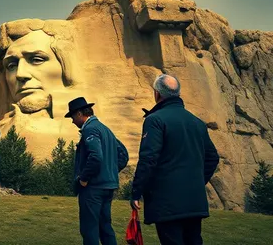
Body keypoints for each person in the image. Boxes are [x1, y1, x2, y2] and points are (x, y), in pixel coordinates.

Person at [130, 74, 219, 245]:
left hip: (167, 203)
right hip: (194, 201)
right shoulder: (197, 122)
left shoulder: (154, 120)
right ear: (178, 93)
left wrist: (136, 192)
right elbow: (212, 158)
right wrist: (197, 182)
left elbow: (148, 159)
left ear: (157, 93)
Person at [67, 97, 129, 245]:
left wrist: (84, 178)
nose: (72, 121)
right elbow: (123, 155)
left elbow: (95, 156)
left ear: (80, 114)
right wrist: (110, 171)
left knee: (89, 230)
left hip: (93, 188)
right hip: (108, 186)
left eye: (72, 117)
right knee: (105, 227)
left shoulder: (90, 129)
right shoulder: (105, 129)